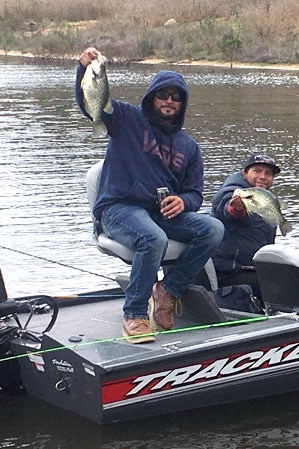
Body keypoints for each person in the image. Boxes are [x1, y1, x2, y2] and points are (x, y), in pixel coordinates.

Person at [76, 47, 224, 343]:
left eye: (176, 96)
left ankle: (168, 290)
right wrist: (84, 70)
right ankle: (134, 314)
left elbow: (194, 193)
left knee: (213, 229)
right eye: (163, 95)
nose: (169, 101)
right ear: (152, 97)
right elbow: (90, 103)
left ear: (182, 103)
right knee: (152, 238)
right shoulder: (126, 119)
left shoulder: (189, 147)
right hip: (119, 207)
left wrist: (183, 201)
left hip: (159, 212)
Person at [211, 153, 282, 299]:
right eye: (257, 171)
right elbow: (226, 209)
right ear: (244, 174)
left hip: (255, 268)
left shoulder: (266, 198)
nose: (262, 176)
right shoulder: (233, 191)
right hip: (230, 272)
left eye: (268, 173)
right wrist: (236, 209)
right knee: (280, 284)